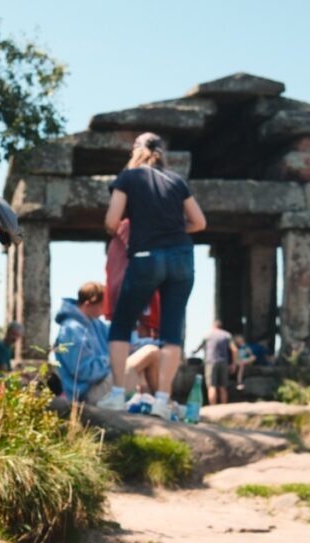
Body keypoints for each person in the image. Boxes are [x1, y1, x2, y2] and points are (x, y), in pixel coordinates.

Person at [103, 132, 207, 420]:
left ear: (135, 151)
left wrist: (135, 229)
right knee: (172, 331)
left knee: (121, 324)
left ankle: (117, 395)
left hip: (147, 255)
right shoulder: (176, 180)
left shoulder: (128, 177)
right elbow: (199, 222)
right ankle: (162, 400)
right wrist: (173, 229)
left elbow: (111, 221)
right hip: (182, 255)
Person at [54, 281, 164, 407]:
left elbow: (128, 344)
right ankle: (163, 403)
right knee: (150, 352)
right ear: (88, 304)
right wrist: (114, 358)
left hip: (103, 383)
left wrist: (162, 344)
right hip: (89, 394)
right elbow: (84, 372)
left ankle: (156, 403)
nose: (104, 311)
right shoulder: (70, 329)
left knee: (150, 354)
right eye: (102, 306)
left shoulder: (96, 324)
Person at [192, 320, 238, 405]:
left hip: (210, 362)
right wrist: (233, 364)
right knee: (223, 387)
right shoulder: (227, 335)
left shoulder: (208, 335)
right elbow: (234, 349)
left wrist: (193, 352)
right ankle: (224, 407)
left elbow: (199, 347)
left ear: (213, 326)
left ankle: (213, 408)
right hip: (224, 362)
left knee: (211, 386)